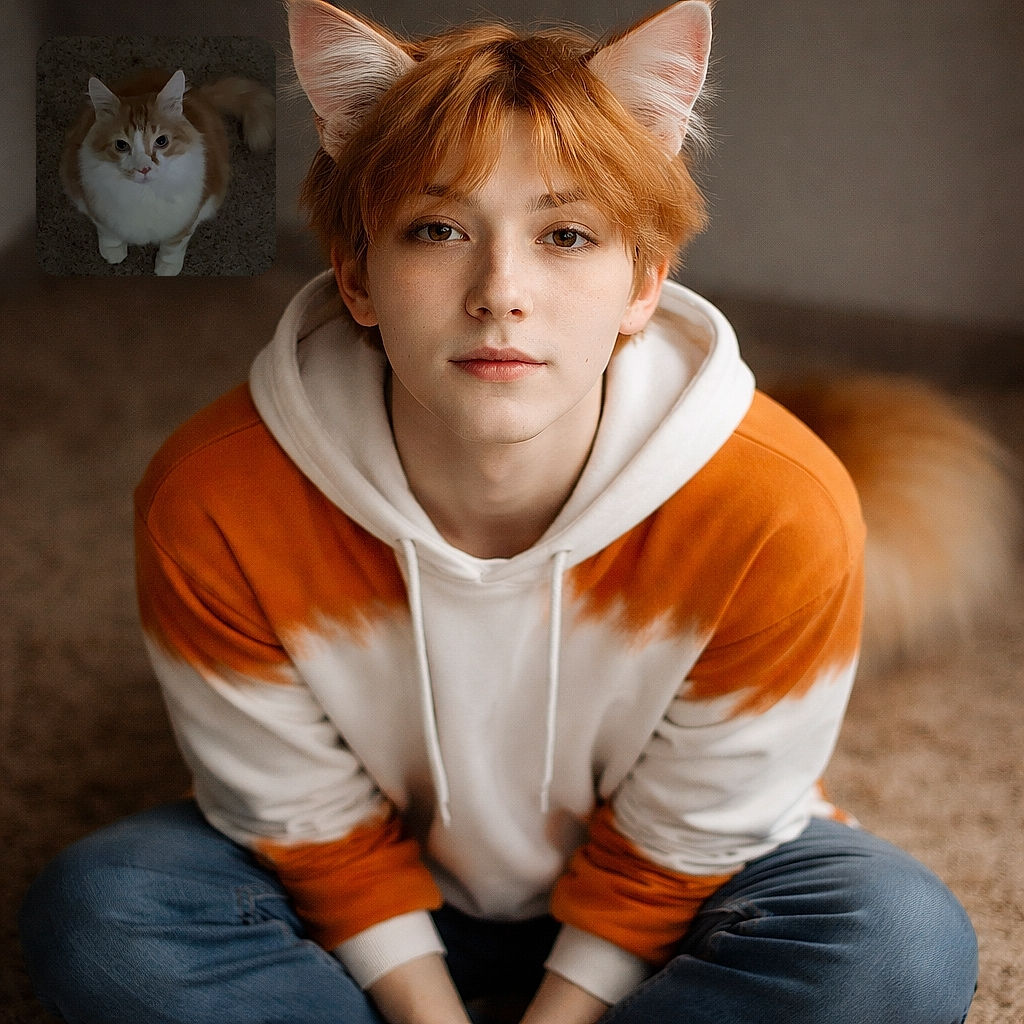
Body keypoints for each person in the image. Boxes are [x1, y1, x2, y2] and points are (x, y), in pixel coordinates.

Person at [20, 2, 978, 1022]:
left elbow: (696, 830)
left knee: (900, 945)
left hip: (680, 887)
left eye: (567, 234)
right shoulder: (214, 496)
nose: (500, 293)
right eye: (438, 230)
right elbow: (303, 819)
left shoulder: (779, 502)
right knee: (101, 916)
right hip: (353, 884)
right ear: (356, 274)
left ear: (645, 283)